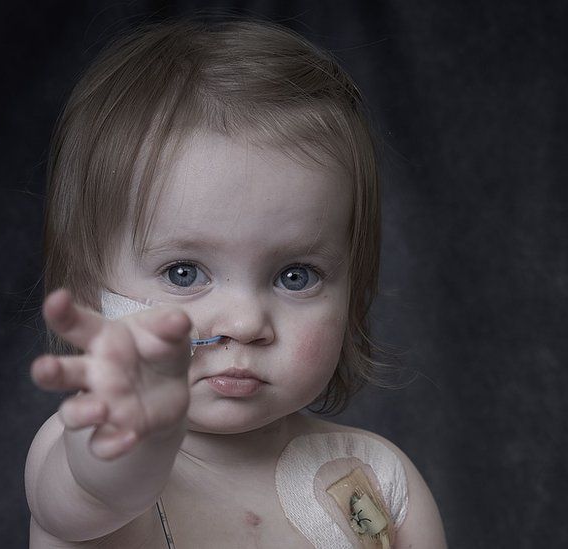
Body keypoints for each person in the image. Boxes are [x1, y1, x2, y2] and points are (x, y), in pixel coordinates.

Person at [24, 15, 447, 548]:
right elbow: (94, 493)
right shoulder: (80, 452)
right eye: (184, 273)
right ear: (90, 293)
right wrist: (129, 438)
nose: (246, 323)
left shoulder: (376, 480)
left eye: (296, 276)